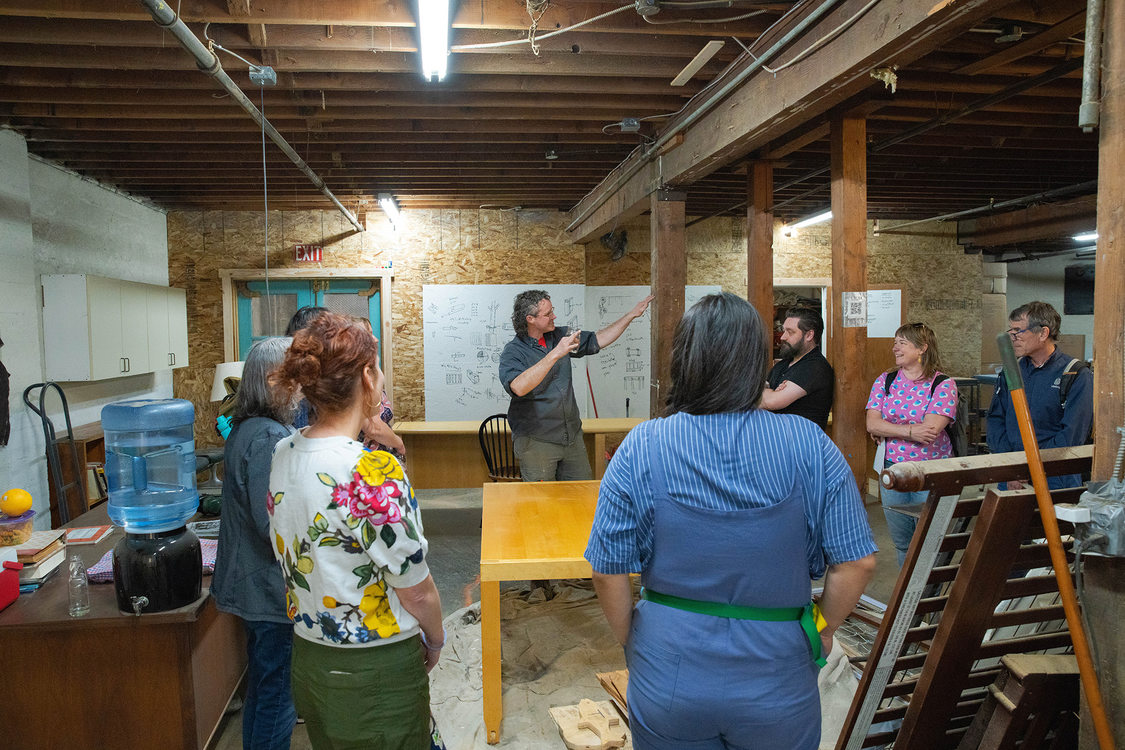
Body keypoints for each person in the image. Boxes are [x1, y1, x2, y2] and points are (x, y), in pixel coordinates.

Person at [585, 292, 876, 750]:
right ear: (754, 361)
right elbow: (857, 563)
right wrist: (821, 633)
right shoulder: (810, 444)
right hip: (778, 668)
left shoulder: (644, 444)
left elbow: (607, 568)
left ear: (684, 358)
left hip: (670, 666)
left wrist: (633, 642)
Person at [268, 312, 444, 749]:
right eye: (378, 368)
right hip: (373, 668)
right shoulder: (369, 469)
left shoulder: (283, 452)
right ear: (368, 376)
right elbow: (415, 589)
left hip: (311, 656)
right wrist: (437, 638)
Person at [210, 337, 299, 750]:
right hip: (267, 589)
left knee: (266, 690)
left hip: (257, 584)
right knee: (276, 693)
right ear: (272, 380)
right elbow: (272, 524)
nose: (301, 386)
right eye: (294, 377)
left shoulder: (252, 428)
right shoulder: (266, 437)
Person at [500, 289, 653, 482]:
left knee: (579, 494)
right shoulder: (513, 351)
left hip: (571, 437)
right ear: (530, 318)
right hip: (537, 441)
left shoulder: (560, 335)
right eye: (547, 314)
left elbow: (598, 339)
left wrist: (631, 315)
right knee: (540, 503)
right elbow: (518, 387)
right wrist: (556, 353)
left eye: (552, 310)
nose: (553, 316)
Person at [865, 322, 959, 566]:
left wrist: (890, 429)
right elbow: (872, 424)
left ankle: (929, 598)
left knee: (931, 540)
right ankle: (905, 598)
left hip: (931, 471)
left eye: (902, 343)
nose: (895, 348)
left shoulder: (943, 384)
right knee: (903, 540)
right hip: (893, 470)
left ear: (922, 348)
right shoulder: (885, 380)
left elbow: (929, 431)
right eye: (895, 342)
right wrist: (909, 430)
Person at [986, 301, 1093, 490]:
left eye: (1018, 331)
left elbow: (1071, 435)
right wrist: (1012, 467)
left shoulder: (1074, 374)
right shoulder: (1011, 371)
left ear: (1043, 333)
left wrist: (1031, 468)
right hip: (1012, 476)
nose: (1012, 337)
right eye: (1010, 331)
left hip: (1055, 477)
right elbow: (995, 420)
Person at [760, 306, 835, 430]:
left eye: (790, 332)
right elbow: (762, 393)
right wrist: (767, 392)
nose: (783, 337)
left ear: (809, 335)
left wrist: (767, 393)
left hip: (802, 444)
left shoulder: (815, 367)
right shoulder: (782, 364)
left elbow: (770, 402)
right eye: (783, 331)